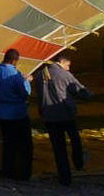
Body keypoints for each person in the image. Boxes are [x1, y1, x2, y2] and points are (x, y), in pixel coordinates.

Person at [38, 52, 92, 186]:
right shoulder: (64, 74)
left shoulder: (40, 75)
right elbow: (80, 91)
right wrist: (90, 95)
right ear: (62, 62)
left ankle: (65, 178)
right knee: (75, 139)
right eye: (68, 65)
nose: (69, 68)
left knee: (58, 148)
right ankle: (78, 162)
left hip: (49, 116)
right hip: (65, 114)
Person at [0, 48, 32, 181]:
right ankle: (24, 173)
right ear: (15, 60)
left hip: (1, 112)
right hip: (17, 113)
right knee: (25, 145)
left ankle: (8, 171)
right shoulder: (16, 75)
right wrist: (27, 81)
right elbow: (25, 93)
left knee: (8, 143)